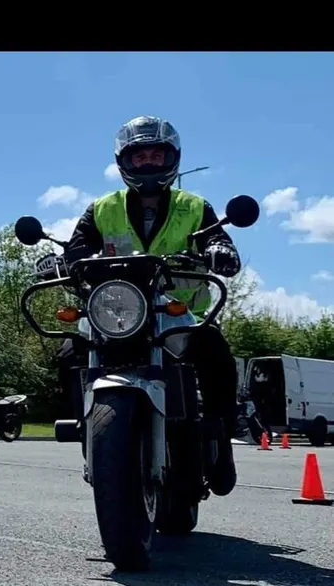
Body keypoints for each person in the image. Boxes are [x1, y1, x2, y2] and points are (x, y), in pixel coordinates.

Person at [57, 115, 242, 495]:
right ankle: (86, 429)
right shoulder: (102, 208)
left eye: (156, 155)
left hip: (179, 313)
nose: (148, 163)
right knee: (68, 351)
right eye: (139, 156)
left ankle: (221, 435)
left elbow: (219, 241)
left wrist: (220, 250)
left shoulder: (195, 207)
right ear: (124, 161)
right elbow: (77, 249)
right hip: (118, 314)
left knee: (216, 352)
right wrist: (59, 262)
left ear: (171, 158)